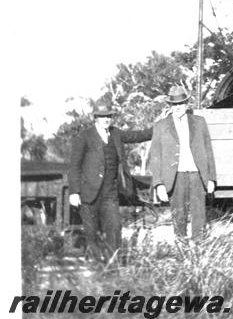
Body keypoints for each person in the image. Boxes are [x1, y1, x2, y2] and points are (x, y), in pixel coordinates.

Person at [68, 103, 152, 262]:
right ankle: (95, 265)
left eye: (109, 116)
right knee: (92, 233)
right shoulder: (84, 136)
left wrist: (161, 127)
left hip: (110, 193)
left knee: (114, 228)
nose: (106, 119)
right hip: (88, 193)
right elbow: (74, 166)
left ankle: (112, 266)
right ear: (95, 118)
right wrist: (74, 192)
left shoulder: (116, 133)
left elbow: (138, 136)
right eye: (102, 116)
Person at [148, 85, 217, 240]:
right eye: (174, 104)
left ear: (186, 104)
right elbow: (155, 157)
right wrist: (159, 184)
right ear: (170, 106)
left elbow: (208, 151)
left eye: (180, 103)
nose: (178, 107)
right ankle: (182, 250)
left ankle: (199, 249)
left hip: (197, 176)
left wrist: (211, 178)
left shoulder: (199, 122)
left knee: (199, 217)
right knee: (178, 217)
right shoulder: (160, 126)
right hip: (175, 177)